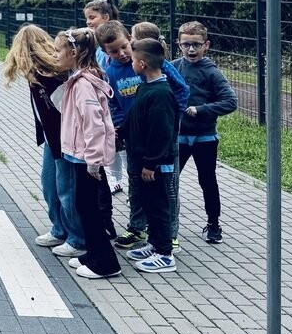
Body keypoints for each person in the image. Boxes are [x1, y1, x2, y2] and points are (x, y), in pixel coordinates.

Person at [97, 20, 188, 252]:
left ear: (130, 39)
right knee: (136, 186)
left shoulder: (152, 62)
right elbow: (113, 103)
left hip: (161, 138)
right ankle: (137, 228)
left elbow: (181, 89)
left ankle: (170, 235)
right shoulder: (109, 72)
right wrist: (120, 127)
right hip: (134, 139)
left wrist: (171, 119)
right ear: (105, 52)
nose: (121, 54)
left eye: (124, 47)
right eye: (113, 51)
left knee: (168, 188)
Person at [3, 25, 82, 255]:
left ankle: (77, 239)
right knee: (50, 184)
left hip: (63, 140)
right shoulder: (38, 73)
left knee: (65, 188)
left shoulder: (49, 74)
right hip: (52, 139)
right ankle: (59, 229)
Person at [55, 27, 120, 279]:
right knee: (84, 205)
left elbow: (94, 123)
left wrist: (93, 161)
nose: (54, 55)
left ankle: (106, 262)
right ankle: (92, 253)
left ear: (74, 52)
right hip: (79, 153)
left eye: (57, 50)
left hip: (86, 157)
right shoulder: (79, 78)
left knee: (88, 208)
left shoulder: (84, 83)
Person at [175, 21, 238, 244]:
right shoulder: (173, 67)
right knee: (170, 181)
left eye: (196, 45)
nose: (191, 50)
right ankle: (165, 223)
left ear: (206, 45)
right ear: (178, 44)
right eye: (186, 45)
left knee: (207, 180)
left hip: (204, 138)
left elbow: (230, 102)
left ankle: (213, 224)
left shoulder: (212, 72)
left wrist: (201, 110)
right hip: (178, 137)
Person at [123, 38, 179, 273]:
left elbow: (161, 133)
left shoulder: (161, 94)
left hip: (155, 165)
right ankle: (155, 244)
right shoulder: (146, 87)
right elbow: (138, 119)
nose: (132, 64)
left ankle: (165, 254)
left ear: (143, 63)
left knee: (159, 206)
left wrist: (151, 163)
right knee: (148, 203)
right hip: (141, 159)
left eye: (134, 60)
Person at [83, 0, 124, 194]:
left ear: (105, 17)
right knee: (111, 142)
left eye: (93, 17)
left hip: (118, 100)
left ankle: (127, 180)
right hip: (104, 100)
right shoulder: (96, 45)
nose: (89, 22)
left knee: (121, 143)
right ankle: (115, 178)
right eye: (87, 19)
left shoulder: (116, 42)